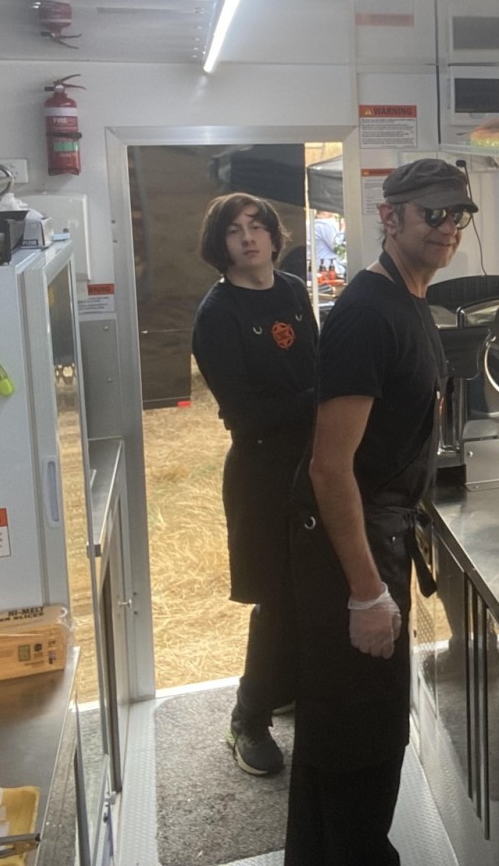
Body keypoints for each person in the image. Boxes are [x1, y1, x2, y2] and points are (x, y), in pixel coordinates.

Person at [287, 158, 476, 864]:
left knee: (339, 735)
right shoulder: (368, 314)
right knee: (360, 739)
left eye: (459, 215)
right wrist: (366, 593)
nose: (448, 228)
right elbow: (328, 465)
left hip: (380, 526)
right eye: (434, 214)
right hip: (350, 547)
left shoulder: (410, 298)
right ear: (390, 217)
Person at [190, 193, 318, 777]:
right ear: (219, 244)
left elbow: (314, 362)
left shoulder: (292, 289)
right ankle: (248, 719)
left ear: (272, 235)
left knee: (312, 588)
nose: (249, 238)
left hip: (314, 462)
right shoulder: (217, 315)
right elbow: (243, 414)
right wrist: (321, 399)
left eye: (258, 226)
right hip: (262, 472)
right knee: (277, 596)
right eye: (234, 230)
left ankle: (284, 687)